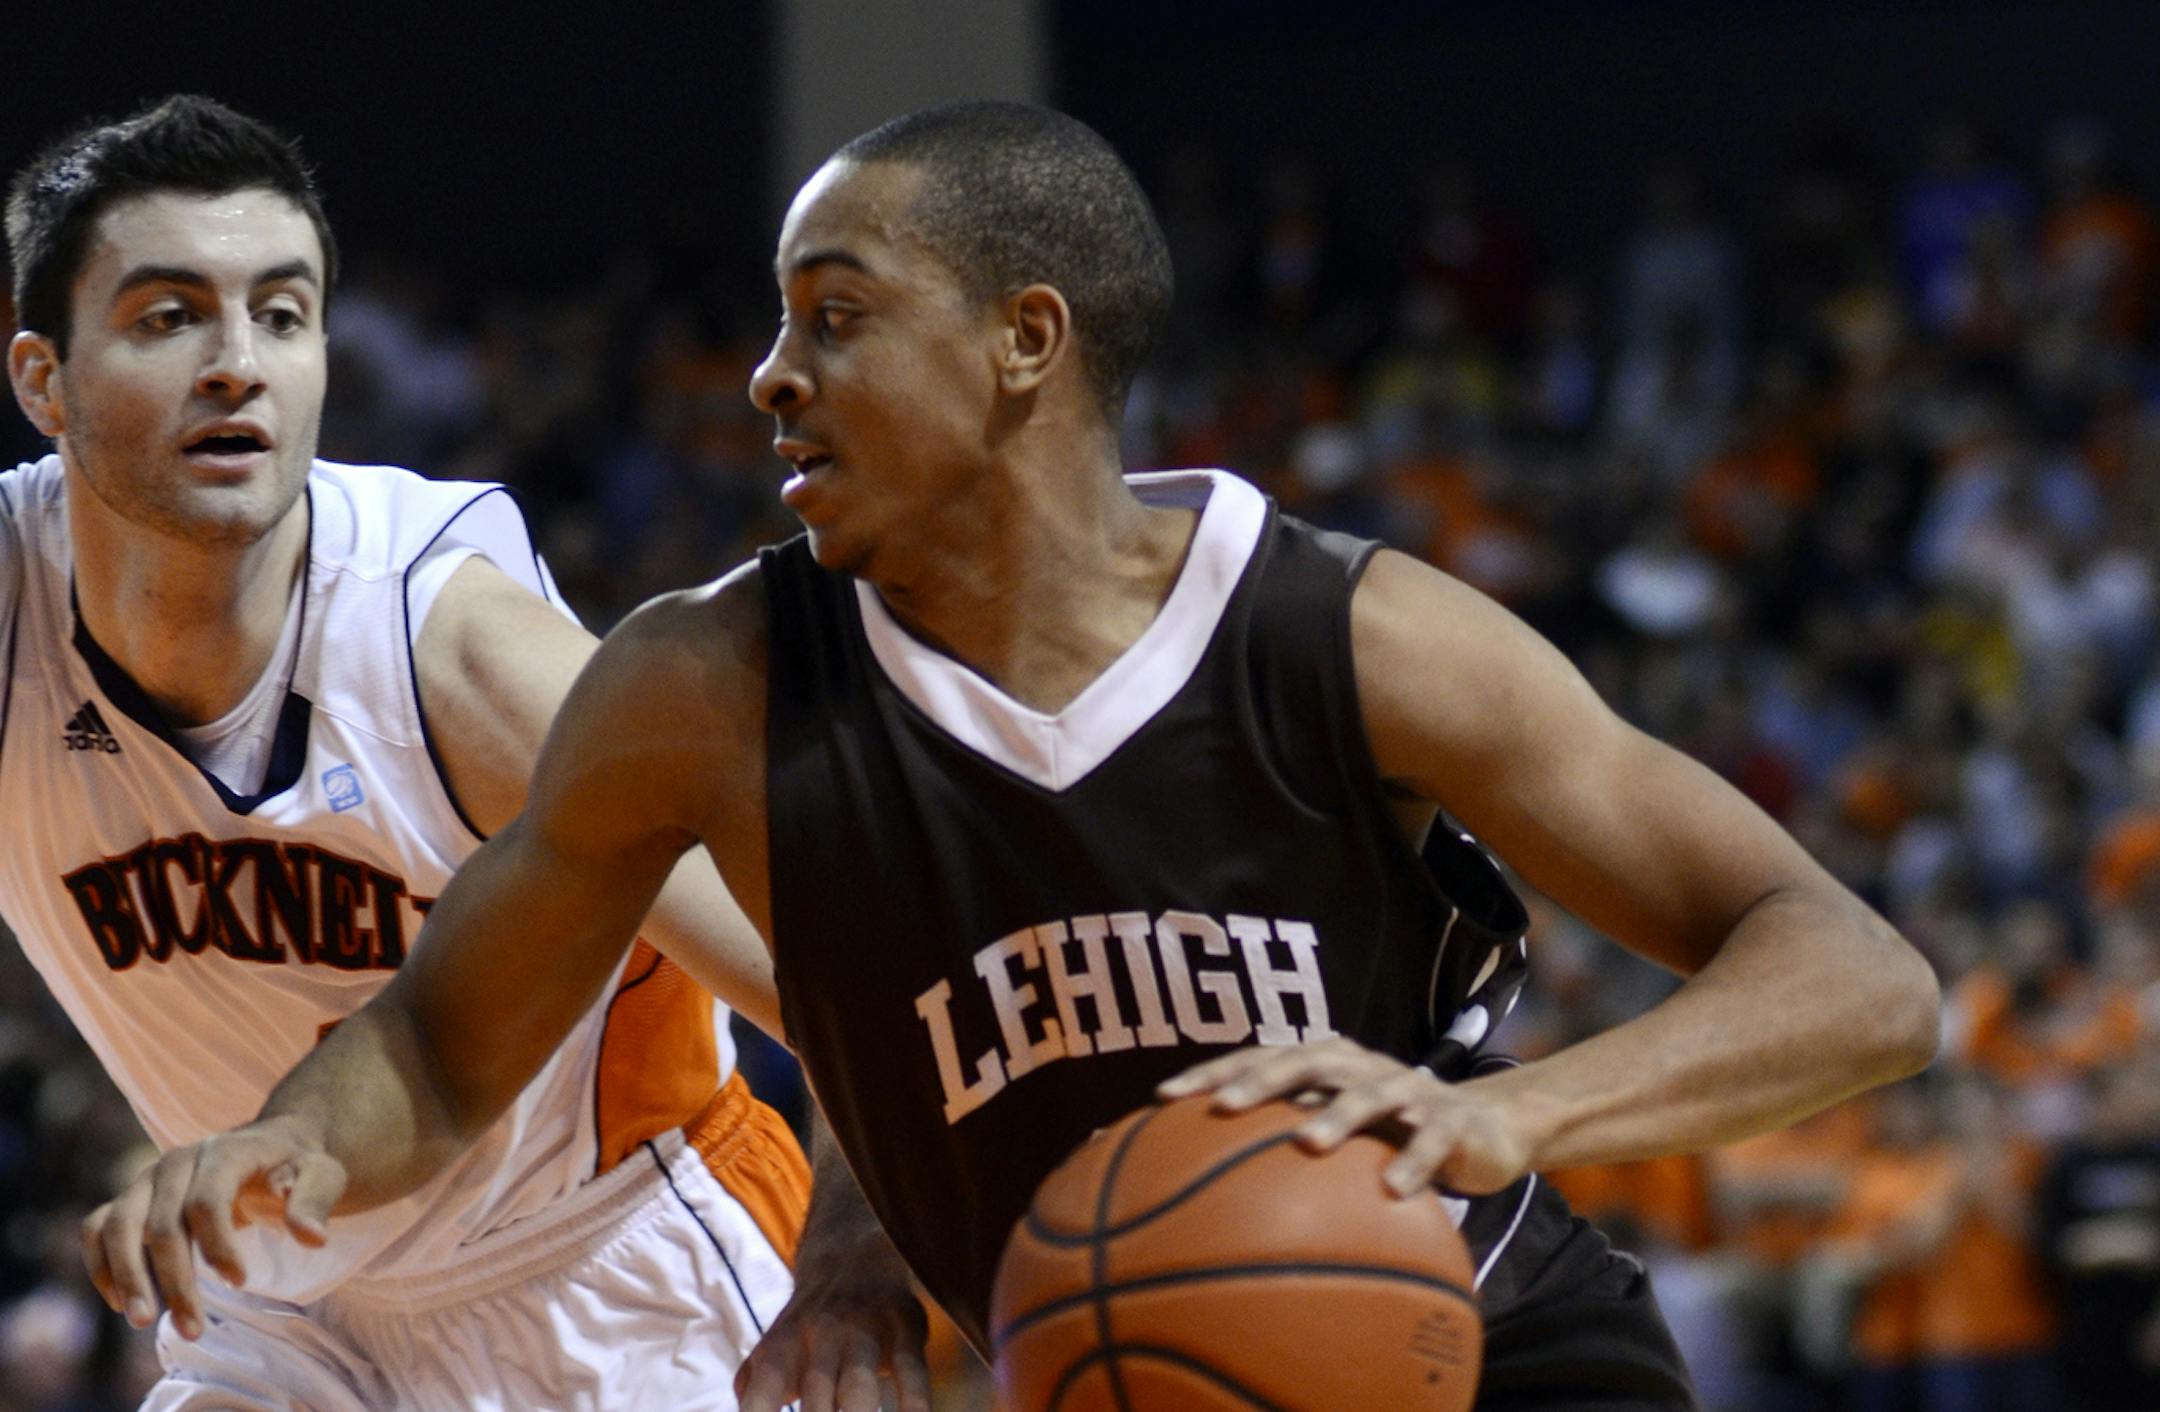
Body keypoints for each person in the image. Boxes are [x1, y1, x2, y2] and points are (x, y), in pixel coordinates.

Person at [99, 102, 1942, 1411]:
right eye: (774, 322)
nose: (766, 375)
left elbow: (1858, 975)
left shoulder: (1347, 636)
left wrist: (1514, 1116)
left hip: (1475, 1352)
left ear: (1021, 346)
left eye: (835, 316)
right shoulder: (705, 686)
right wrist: (272, 1151)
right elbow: (440, 1034)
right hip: (1092, 1370)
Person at [0, 94, 843, 1410]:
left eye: (280, 315)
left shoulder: (450, 647)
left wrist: (866, 1233)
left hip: (610, 1265)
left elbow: (853, 981)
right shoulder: (10, 615)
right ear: (42, 379)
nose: (238, 364)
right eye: (169, 319)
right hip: (281, 1307)